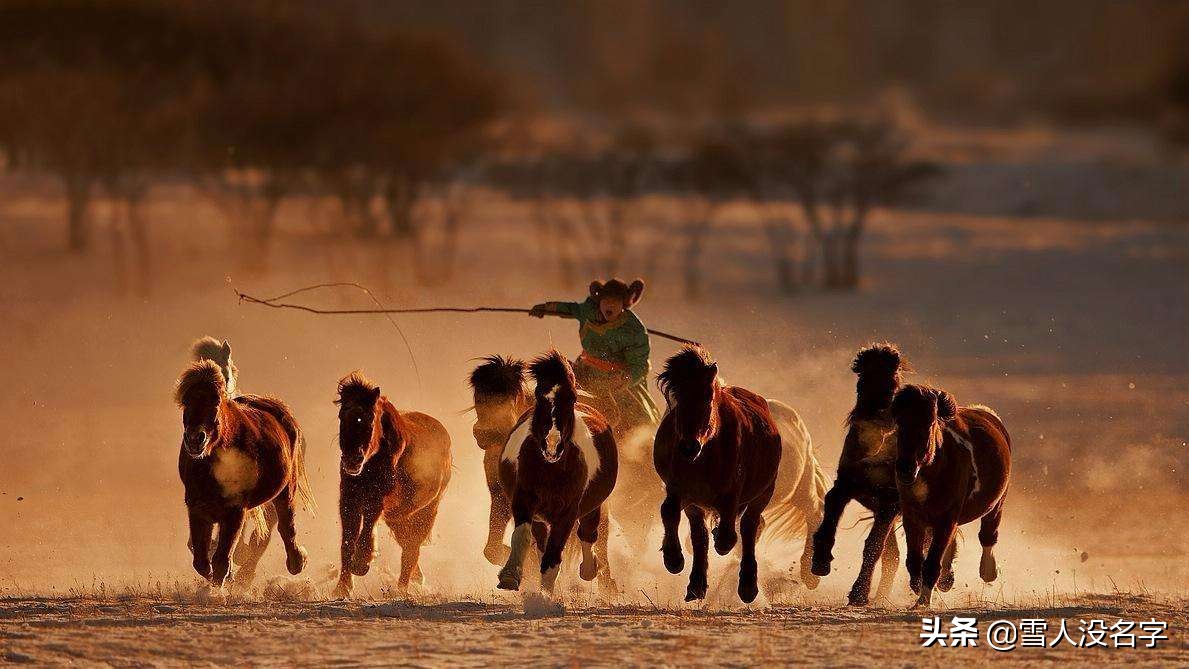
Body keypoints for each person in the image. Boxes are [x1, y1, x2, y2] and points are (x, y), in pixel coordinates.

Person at [529, 278, 660, 435]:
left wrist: (625, 378)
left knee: (636, 424)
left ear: (623, 304)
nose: (609, 305)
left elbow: (640, 365)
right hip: (586, 369)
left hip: (616, 380)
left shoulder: (634, 330)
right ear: (599, 301)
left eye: (615, 302)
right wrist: (544, 308)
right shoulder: (588, 310)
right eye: (606, 301)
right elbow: (569, 309)